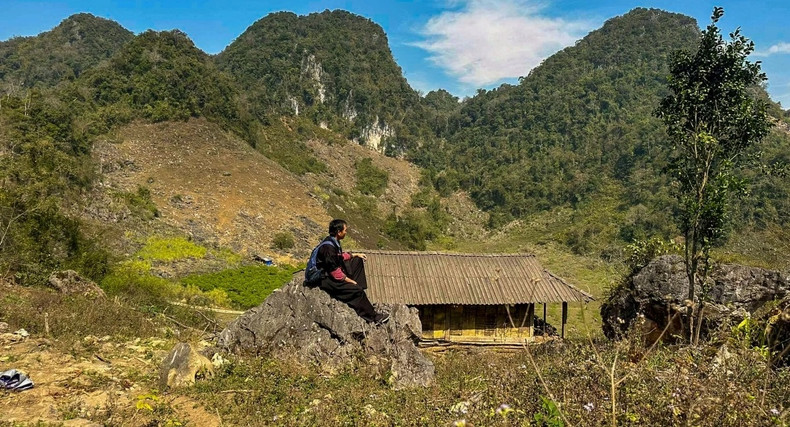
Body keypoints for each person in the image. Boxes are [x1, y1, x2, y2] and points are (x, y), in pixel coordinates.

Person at [313, 219, 389, 324]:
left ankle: (359, 295)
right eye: (345, 230)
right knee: (357, 290)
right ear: (339, 232)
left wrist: (355, 255)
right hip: (325, 279)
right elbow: (335, 273)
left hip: (330, 273)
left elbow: (338, 257)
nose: (346, 232)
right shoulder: (328, 248)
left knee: (357, 261)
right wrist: (350, 281)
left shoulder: (332, 241)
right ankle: (374, 317)